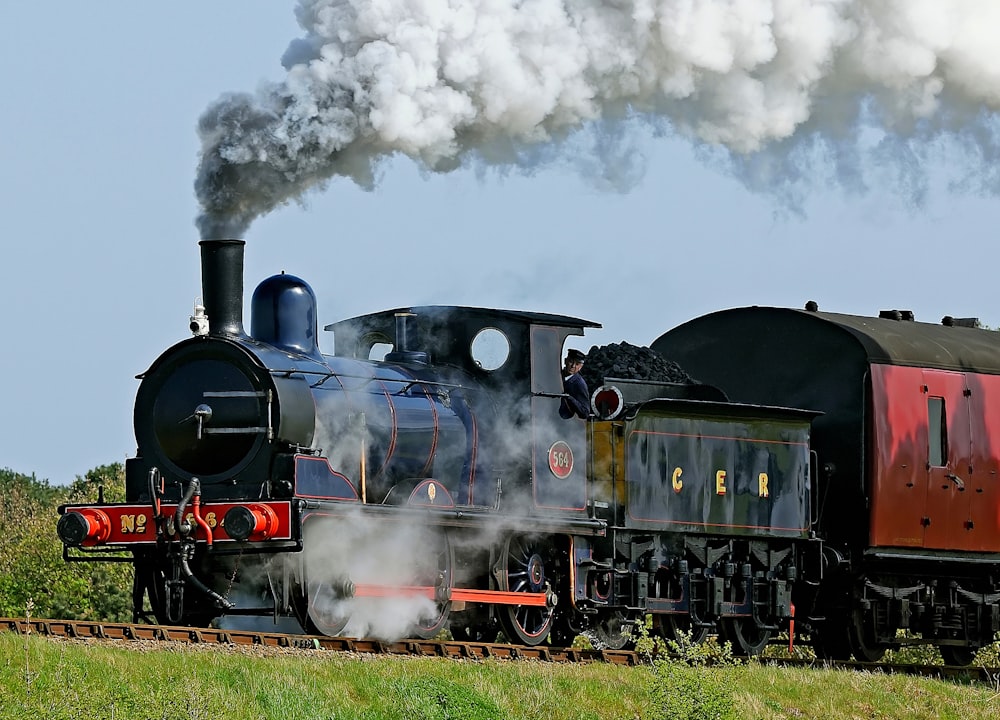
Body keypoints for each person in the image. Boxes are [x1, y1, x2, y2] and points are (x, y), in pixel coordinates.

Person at [559, 348, 590, 419]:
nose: (573, 366)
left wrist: (569, 398)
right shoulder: (558, 375)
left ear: (580, 367)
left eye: (577, 364)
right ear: (565, 361)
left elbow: (585, 413)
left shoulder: (579, 384)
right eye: (571, 361)